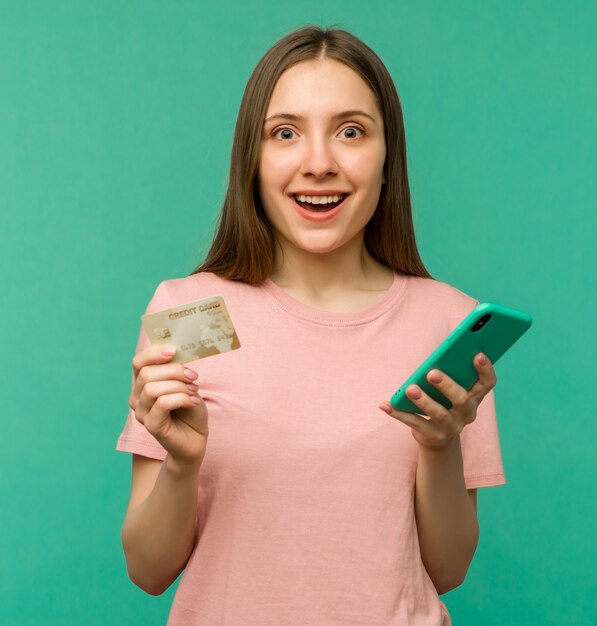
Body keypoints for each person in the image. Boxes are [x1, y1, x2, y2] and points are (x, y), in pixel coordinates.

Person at [117, 25, 505, 626]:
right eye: (285, 133)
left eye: (351, 131)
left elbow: (448, 570)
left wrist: (440, 444)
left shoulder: (448, 323)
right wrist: (181, 464)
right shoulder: (190, 313)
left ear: (386, 157)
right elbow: (147, 571)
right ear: (253, 155)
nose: (319, 163)